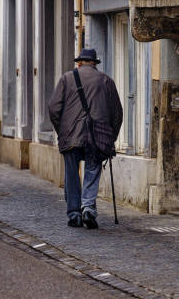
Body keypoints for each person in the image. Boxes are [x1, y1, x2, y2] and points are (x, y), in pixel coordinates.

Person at [48, 48, 123, 229]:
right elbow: (117, 114)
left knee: (72, 174)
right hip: (98, 135)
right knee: (92, 169)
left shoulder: (67, 79)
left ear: (79, 63)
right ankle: (88, 208)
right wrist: (111, 137)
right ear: (95, 64)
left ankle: (74, 214)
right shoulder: (106, 81)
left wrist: (62, 130)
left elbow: (53, 108)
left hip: (71, 135)